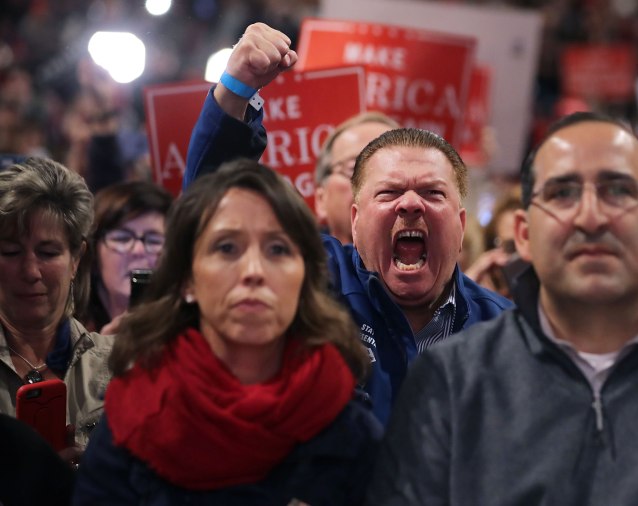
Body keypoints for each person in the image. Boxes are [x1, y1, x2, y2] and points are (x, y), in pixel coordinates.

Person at [366, 112, 638, 505]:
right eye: (562, 194)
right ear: (523, 234)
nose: (590, 217)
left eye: (618, 191)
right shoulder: (452, 379)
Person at [183, 23, 512, 425]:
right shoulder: (309, 280)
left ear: (462, 225)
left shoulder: (507, 332)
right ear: (354, 221)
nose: (410, 204)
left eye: (432, 193)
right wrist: (235, 89)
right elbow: (210, 218)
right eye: (389, 193)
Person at [74, 159, 382, 505]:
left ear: (305, 278)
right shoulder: (132, 416)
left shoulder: (347, 426)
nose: (253, 271)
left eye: (277, 249)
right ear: (187, 279)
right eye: (226, 248)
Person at [0, 157, 113, 450]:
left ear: (76, 259)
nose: (30, 271)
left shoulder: (120, 366)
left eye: (48, 253)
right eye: (11, 252)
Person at [79, 181, 172, 333]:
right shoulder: (67, 335)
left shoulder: (190, 333)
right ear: (94, 253)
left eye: (154, 240)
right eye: (122, 239)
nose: (138, 250)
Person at [313, 111, 399, 244]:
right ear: (321, 199)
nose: (377, 182)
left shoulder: (437, 260)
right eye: (354, 168)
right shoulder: (298, 262)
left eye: (391, 169)